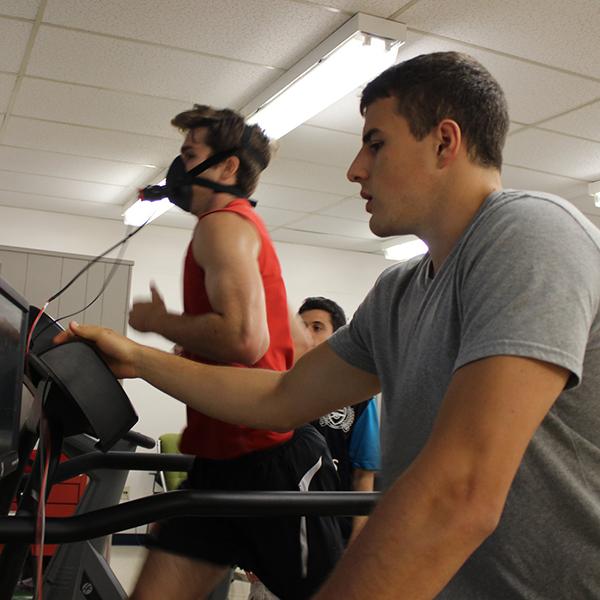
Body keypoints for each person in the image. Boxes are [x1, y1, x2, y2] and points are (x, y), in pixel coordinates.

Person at [56, 51, 600, 599]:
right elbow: (282, 394)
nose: (356, 168)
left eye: (376, 143)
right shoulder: (398, 292)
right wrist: (139, 358)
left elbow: (459, 493)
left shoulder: (530, 234)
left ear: (444, 142)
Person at [125, 105, 343, 600]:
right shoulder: (243, 228)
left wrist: (160, 323)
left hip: (270, 466)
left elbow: (247, 340)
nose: (178, 168)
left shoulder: (221, 224)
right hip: (220, 462)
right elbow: (299, 343)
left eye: (189, 155)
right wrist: (197, 346)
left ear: (227, 167)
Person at [298, 296, 380, 543]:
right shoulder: (279, 388)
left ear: (337, 337)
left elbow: (363, 474)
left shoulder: (359, 396)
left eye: (317, 327)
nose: (308, 335)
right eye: (302, 327)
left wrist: (357, 536)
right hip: (284, 524)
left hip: (334, 526)